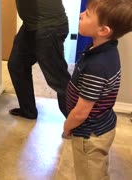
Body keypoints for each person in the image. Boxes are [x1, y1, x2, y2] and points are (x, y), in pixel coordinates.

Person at [63, 0, 132, 179]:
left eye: (87, 14)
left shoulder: (98, 66)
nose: (80, 15)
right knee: (95, 170)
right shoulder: (102, 49)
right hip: (98, 127)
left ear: (103, 30)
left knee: (90, 174)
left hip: (89, 135)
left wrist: (67, 126)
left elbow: (81, 112)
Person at [8, 0, 71, 119]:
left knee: (58, 78)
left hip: (49, 27)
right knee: (17, 64)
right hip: (31, 25)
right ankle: (28, 110)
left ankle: (77, 123)